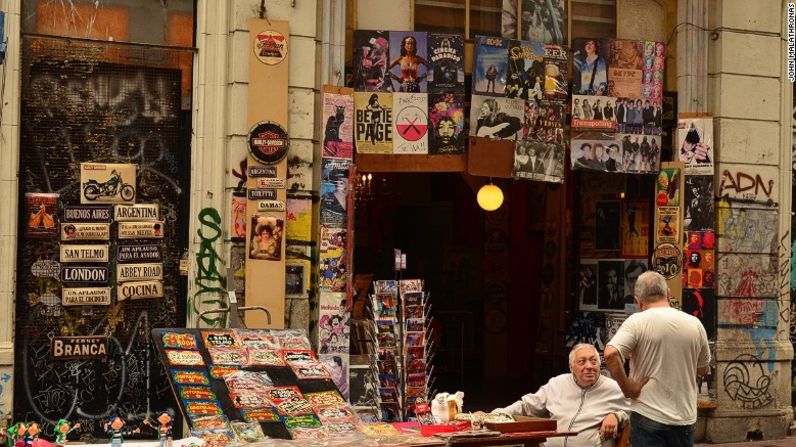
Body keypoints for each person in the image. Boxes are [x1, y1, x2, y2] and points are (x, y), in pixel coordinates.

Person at [605, 271, 710, 447]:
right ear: (668, 293)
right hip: (684, 417)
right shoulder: (695, 324)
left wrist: (628, 388)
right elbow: (702, 369)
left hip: (648, 414)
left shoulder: (637, 322)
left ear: (638, 300)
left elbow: (610, 354)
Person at [487, 344, 630, 447]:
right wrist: (494, 416)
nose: (589, 366)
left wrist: (617, 416)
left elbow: (637, 412)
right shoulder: (557, 384)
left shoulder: (613, 388)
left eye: (594, 361)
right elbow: (526, 406)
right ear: (571, 367)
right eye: (582, 362)